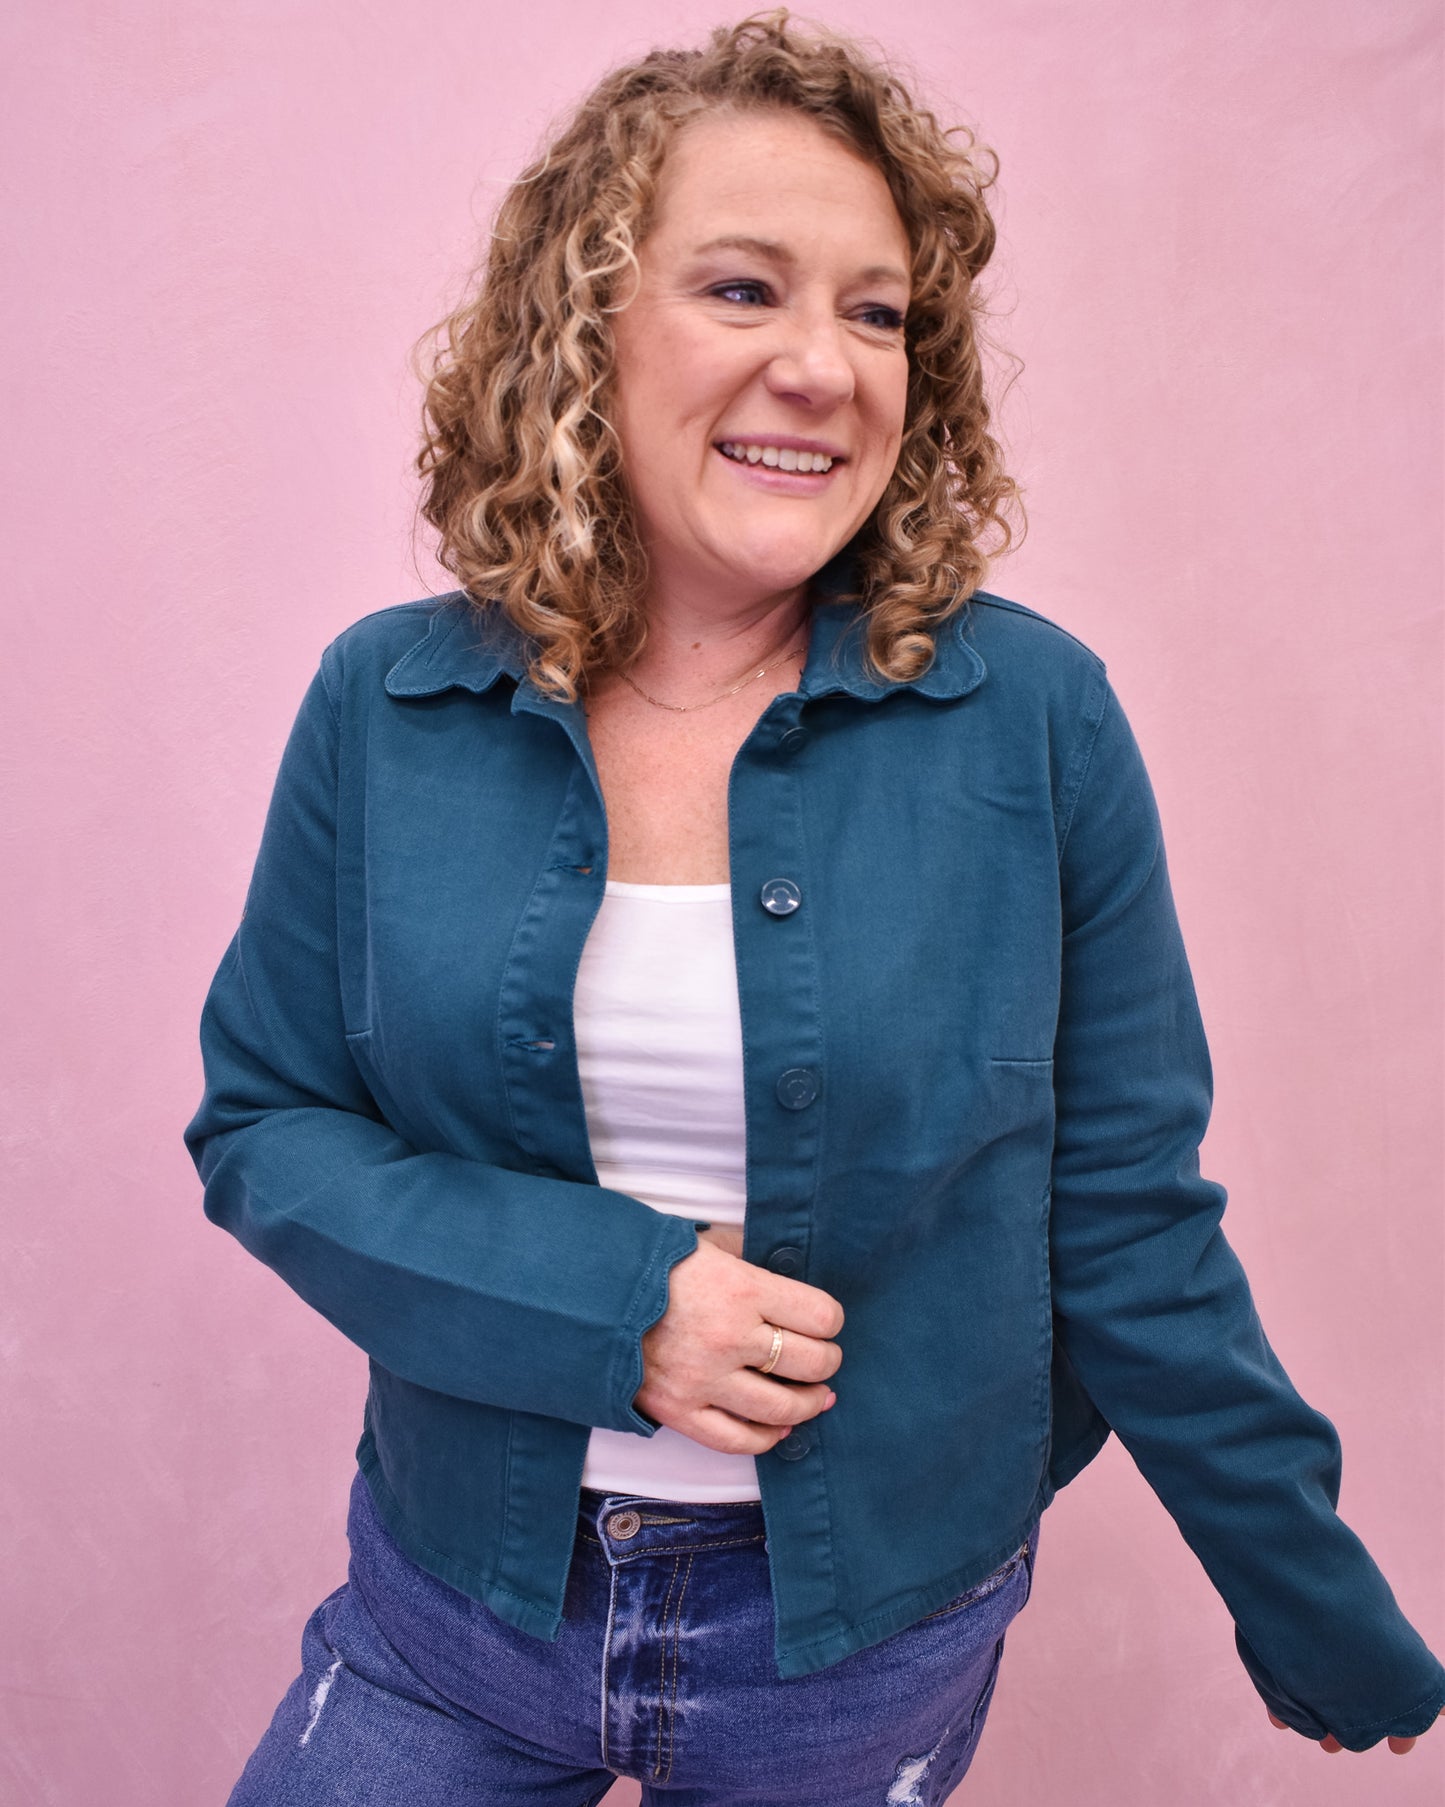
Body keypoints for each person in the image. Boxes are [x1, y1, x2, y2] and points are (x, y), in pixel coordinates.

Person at [184, 11, 1443, 1802]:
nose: (822, 366)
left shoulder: (1033, 721)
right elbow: (269, 1130)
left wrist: (1307, 1595)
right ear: (583, 333)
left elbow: (1127, 1221)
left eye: (876, 312)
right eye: (742, 289)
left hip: (857, 1646)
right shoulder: (384, 707)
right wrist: (624, 1310)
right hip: (453, 1600)